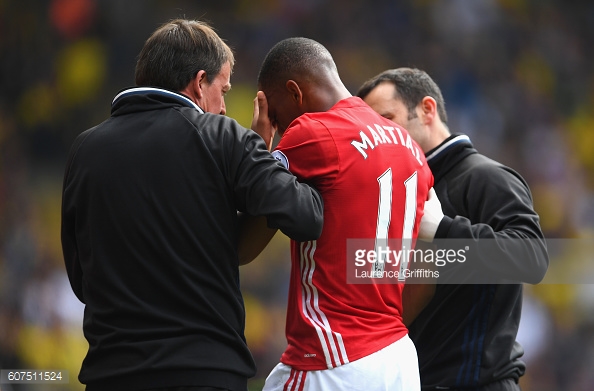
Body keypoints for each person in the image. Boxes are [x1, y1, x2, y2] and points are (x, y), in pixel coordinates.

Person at [61, 19, 324, 391]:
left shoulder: (84, 150)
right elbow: (307, 215)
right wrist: (269, 159)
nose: (222, 106)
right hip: (204, 373)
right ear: (200, 83)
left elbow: (81, 281)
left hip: (111, 374)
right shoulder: (222, 137)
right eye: (224, 89)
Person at [254, 38, 435, 391]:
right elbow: (429, 264)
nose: (277, 125)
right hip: (397, 357)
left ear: (294, 93)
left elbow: (243, 247)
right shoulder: (411, 148)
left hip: (332, 359)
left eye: (275, 114)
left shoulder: (311, 133)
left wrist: (259, 147)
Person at [357, 68, 549, 391]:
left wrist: (443, 229)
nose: (380, 135)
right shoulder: (393, 197)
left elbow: (532, 257)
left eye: (387, 118)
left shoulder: (486, 178)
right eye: (372, 128)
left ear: (428, 110)